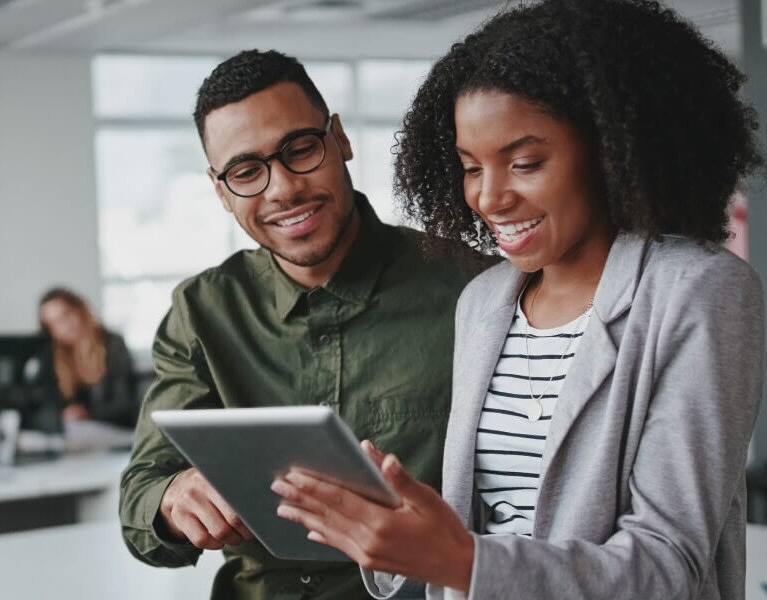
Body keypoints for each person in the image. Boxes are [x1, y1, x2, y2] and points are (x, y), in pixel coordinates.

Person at [269, 1, 766, 599]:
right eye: (470, 167)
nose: (490, 197)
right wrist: (405, 529)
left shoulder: (697, 291)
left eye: (525, 162)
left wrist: (462, 559)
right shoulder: (483, 302)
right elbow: (486, 536)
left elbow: (667, 566)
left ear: (610, 150)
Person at [118, 50, 492, 599]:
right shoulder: (200, 312)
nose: (282, 189)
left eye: (299, 150)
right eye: (246, 171)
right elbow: (140, 499)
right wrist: (175, 497)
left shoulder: (472, 290)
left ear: (338, 138)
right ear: (221, 190)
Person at [39, 287, 137, 428]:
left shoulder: (112, 344)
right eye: (54, 323)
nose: (63, 325)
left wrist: (88, 414)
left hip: (113, 431)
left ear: (79, 309)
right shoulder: (52, 357)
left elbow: (125, 404)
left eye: (65, 315)